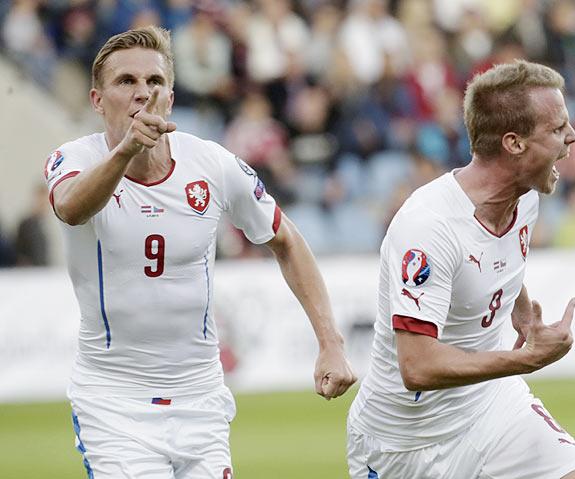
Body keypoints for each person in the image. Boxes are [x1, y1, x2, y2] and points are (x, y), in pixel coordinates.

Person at [44, 26, 356, 479]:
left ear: (170, 97)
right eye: (126, 82)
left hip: (200, 397)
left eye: (155, 82)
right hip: (114, 402)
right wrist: (127, 149)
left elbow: (286, 239)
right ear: (97, 100)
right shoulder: (73, 158)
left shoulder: (210, 163)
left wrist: (330, 342)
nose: (142, 93)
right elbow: (72, 208)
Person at [347, 60, 575, 479]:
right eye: (557, 129)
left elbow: (496, 255)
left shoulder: (526, 197)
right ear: (514, 143)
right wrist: (525, 360)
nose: (571, 137)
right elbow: (418, 367)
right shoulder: (428, 227)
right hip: (404, 442)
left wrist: (518, 306)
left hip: (492, 408)